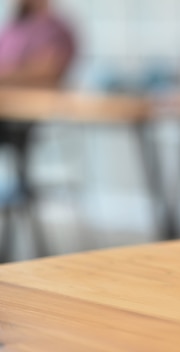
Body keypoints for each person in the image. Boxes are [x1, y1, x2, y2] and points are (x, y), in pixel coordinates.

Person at [0, 0, 75, 260]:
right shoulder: (12, 27)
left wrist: (8, 75)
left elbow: (47, 71)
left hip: (26, 118)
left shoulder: (56, 29)